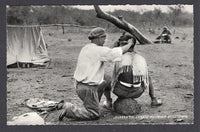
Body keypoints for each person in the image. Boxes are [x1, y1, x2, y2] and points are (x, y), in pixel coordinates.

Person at [59, 27, 134, 121]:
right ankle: (69, 110)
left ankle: (108, 102)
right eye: (104, 38)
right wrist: (130, 44)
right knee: (94, 114)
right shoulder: (99, 51)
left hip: (81, 85)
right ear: (99, 38)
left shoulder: (86, 48)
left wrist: (117, 45)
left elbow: (108, 52)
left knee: (106, 79)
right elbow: (116, 52)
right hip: (87, 89)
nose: (104, 40)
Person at [109, 33, 162, 107]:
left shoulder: (119, 58)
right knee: (148, 76)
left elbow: (114, 79)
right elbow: (145, 79)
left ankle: (108, 102)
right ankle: (153, 99)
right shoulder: (141, 58)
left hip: (120, 91)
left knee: (107, 78)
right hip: (137, 92)